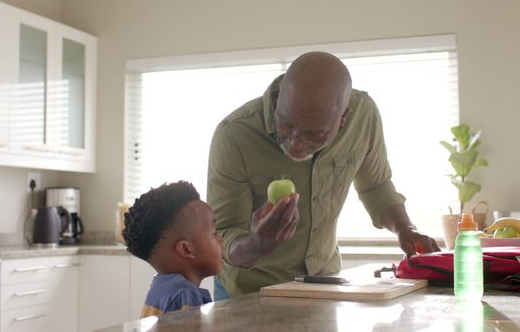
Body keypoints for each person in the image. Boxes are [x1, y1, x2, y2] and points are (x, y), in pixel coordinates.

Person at [207, 51, 440, 299]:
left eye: (314, 134)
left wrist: (405, 228)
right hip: (249, 292)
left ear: (343, 118)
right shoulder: (234, 135)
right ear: (279, 99)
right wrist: (255, 244)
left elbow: (376, 186)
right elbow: (222, 234)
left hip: (324, 285)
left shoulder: (363, 117)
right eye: (286, 123)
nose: (295, 143)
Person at [122, 181, 223, 317]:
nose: (221, 239)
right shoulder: (183, 297)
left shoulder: (162, 290)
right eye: (214, 233)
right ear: (186, 249)